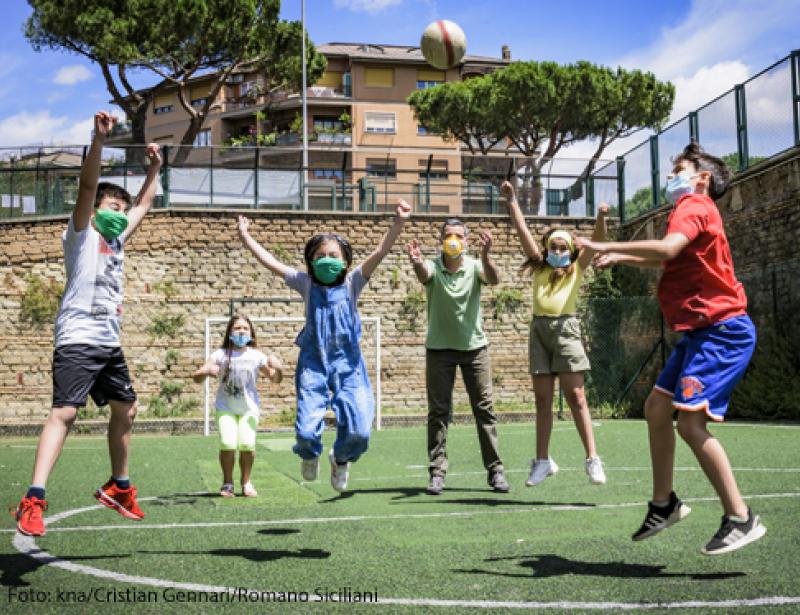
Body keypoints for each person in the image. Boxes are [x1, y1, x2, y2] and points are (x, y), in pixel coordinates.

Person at [577, 142, 766, 555]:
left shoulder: (693, 205)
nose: (669, 177)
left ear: (702, 178)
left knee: (690, 425)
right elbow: (668, 257)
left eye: (678, 169)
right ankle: (664, 504)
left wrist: (607, 247)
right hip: (700, 333)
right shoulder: (693, 211)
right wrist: (621, 256)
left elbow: (667, 248)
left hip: (722, 332)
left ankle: (740, 517)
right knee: (657, 408)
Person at [14, 112, 162, 536]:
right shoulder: (82, 233)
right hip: (77, 337)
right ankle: (34, 498)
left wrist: (155, 169)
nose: (120, 214)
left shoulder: (117, 240)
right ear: (95, 211)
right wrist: (98, 142)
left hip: (108, 343)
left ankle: (119, 486)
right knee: (64, 412)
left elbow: (145, 204)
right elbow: (85, 186)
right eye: (113, 208)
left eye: (122, 210)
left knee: (127, 408)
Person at [238, 199, 411, 492]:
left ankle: (340, 458)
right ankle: (309, 454)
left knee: (360, 430)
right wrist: (246, 237)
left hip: (349, 365)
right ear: (310, 262)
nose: (327, 260)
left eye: (333, 255)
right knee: (306, 431)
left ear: (345, 262)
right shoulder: (305, 284)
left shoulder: (353, 282)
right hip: (313, 363)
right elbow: (271, 263)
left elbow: (380, 252)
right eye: (320, 256)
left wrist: (399, 223)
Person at [500, 181, 608, 487]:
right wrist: (512, 201)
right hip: (539, 331)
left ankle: (592, 459)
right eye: (554, 247)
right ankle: (542, 461)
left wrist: (601, 218)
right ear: (547, 248)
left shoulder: (577, 268)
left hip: (566, 329)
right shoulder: (540, 268)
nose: (558, 251)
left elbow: (597, 242)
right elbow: (522, 231)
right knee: (542, 401)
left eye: (563, 248)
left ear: (570, 251)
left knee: (577, 397)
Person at [406, 218, 510, 496]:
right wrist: (416, 262)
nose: (453, 240)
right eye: (448, 235)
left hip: (475, 350)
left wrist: (486, 255)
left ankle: (496, 470)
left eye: (459, 236)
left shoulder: (475, 266)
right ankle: (437, 472)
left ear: (466, 240)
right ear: (441, 240)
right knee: (438, 412)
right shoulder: (433, 265)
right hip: (439, 350)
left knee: (484, 409)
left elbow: (494, 279)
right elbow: (423, 274)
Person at [194, 312, 282, 497]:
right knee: (227, 443)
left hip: (249, 410)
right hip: (225, 408)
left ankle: (246, 482)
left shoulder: (257, 356)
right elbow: (197, 377)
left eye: (245, 328)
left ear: (251, 333)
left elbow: (275, 379)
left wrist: (279, 368)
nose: (241, 332)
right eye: (237, 328)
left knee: (247, 445)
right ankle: (227, 483)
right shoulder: (219, 355)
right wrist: (207, 371)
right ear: (230, 332)